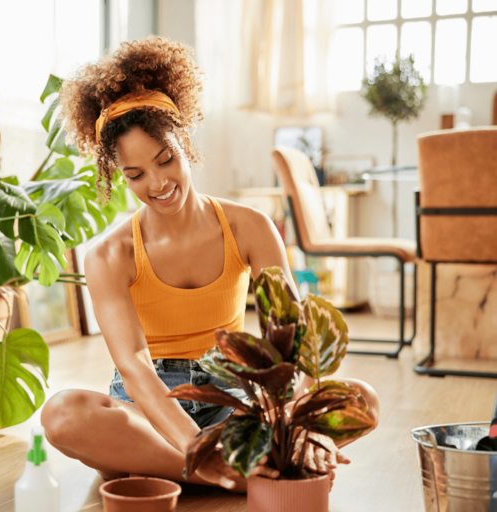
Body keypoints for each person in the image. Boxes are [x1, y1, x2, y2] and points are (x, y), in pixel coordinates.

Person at [41, 36, 379, 492]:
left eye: (166, 159)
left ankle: (174, 469)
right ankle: (234, 471)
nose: (158, 183)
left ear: (184, 140)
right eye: (135, 175)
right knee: (63, 413)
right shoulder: (109, 255)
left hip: (233, 395)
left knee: (361, 399)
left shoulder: (250, 227)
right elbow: (136, 368)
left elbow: (291, 338)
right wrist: (196, 444)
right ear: (117, 174)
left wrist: (295, 416)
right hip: (149, 409)